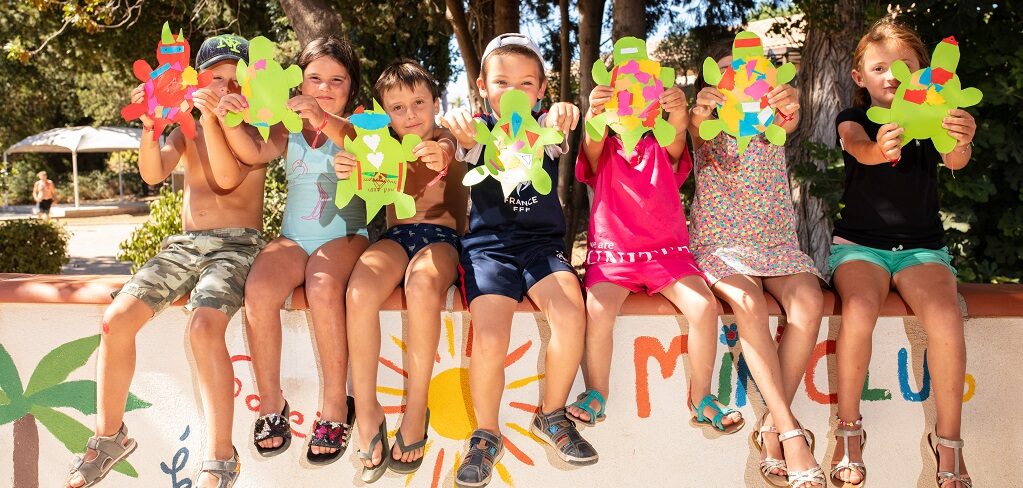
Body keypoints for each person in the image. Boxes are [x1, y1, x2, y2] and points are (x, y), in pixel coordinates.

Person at [65, 34, 261, 488]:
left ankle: (220, 454)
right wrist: (153, 121)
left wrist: (213, 115)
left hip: (238, 246)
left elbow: (230, 179)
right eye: (217, 79)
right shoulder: (184, 129)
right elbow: (153, 173)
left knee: (203, 325)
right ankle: (109, 436)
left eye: (236, 81)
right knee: (116, 320)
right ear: (198, 80)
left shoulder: (256, 131)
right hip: (187, 244)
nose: (226, 88)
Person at [829, 20, 976, 488]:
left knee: (947, 319)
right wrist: (878, 147)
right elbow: (859, 149)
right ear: (860, 77)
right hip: (860, 248)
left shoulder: (935, 114)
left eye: (904, 66)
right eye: (879, 67)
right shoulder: (851, 118)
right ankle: (849, 430)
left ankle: (948, 442)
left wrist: (963, 136)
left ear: (924, 71)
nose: (892, 74)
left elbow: (955, 159)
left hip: (922, 249)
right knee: (858, 310)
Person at [442, 33, 593, 488]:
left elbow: (563, 123)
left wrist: (568, 113)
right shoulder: (474, 128)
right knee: (489, 335)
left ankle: (552, 415)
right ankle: (486, 433)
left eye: (526, 84)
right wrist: (457, 128)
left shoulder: (548, 128)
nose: (514, 92)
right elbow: (461, 137)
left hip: (541, 248)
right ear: (482, 88)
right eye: (502, 82)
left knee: (570, 312)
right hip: (489, 248)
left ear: (543, 89)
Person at [213, 36, 367, 466]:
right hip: (294, 238)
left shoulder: (360, 122)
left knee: (321, 285)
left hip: (347, 236)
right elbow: (254, 151)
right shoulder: (288, 123)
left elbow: (367, 150)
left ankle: (337, 404)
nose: (324, 87)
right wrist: (229, 123)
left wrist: (325, 118)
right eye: (314, 78)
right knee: (259, 291)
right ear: (297, 81)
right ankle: (271, 404)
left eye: (337, 80)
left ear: (351, 88)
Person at [566, 70, 743, 438]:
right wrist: (594, 114)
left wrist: (677, 115)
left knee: (705, 306)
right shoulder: (606, 146)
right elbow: (592, 142)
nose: (633, 98)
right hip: (614, 256)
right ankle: (597, 391)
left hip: (668, 255)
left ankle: (703, 396)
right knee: (598, 309)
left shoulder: (661, 144)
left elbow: (679, 137)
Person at [688, 38, 825, 488]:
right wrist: (697, 116)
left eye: (749, 72)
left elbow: (793, 118)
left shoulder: (773, 120)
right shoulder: (702, 123)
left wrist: (791, 107)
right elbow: (690, 132)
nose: (738, 81)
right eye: (727, 73)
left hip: (777, 243)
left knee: (809, 300)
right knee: (749, 304)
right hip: (721, 244)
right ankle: (789, 429)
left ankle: (768, 424)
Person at [344, 59, 467, 481]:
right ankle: (367, 409)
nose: (410, 114)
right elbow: (354, 156)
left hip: (443, 240)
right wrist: (350, 167)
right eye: (397, 108)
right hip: (398, 238)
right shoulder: (380, 143)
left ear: (435, 102)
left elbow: (448, 148)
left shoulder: (445, 136)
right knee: (359, 290)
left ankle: (416, 411)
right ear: (384, 111)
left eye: (418, 103)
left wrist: (442, 152)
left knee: (421, 287)